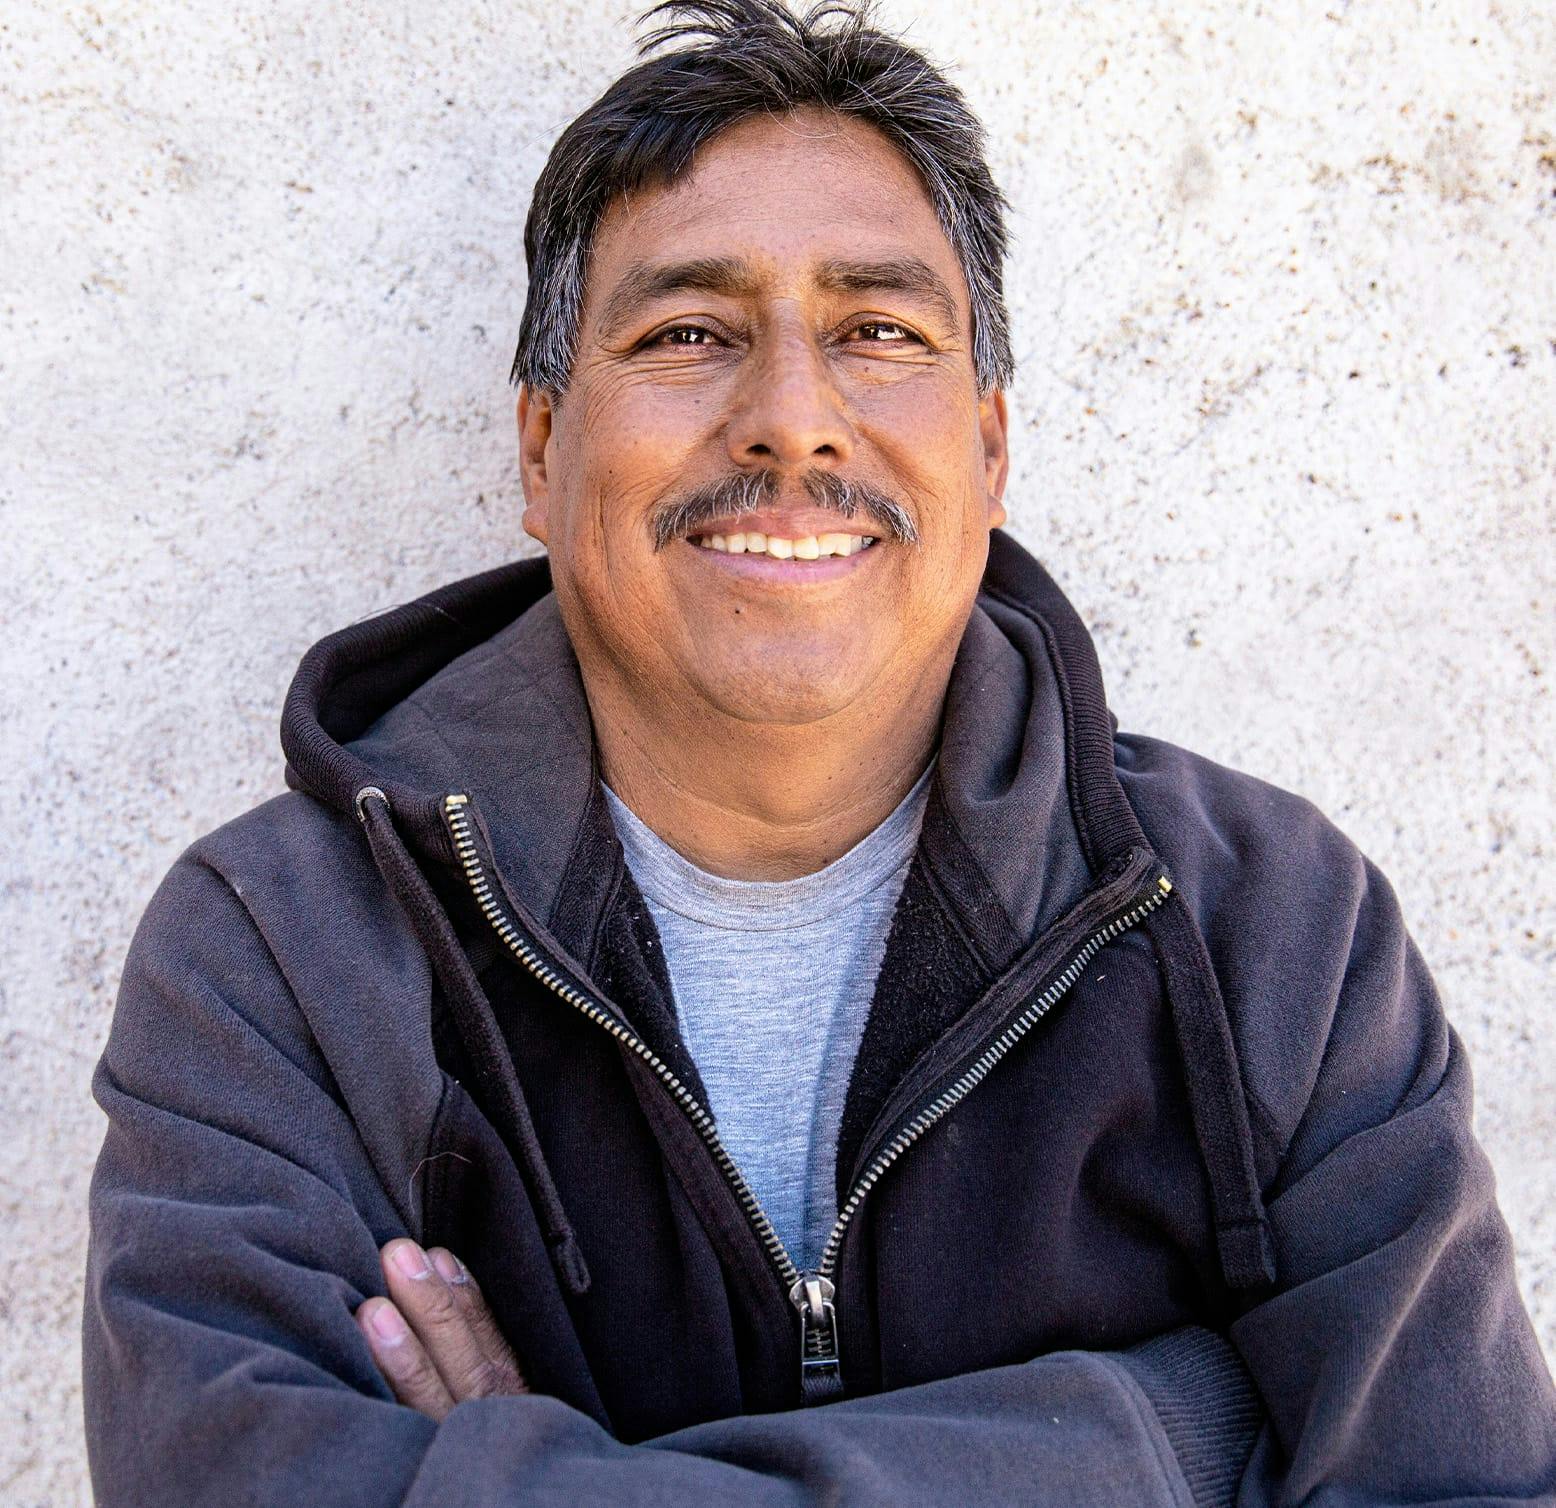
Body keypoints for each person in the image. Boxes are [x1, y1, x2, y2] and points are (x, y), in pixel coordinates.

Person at [82, 2, 1556, 1503]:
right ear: (540, 450)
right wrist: (1162, 1440)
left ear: (989, 447)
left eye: (878, 332)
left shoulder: (1272, 927)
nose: (793, 421)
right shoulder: (289, 956)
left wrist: (523, 1479)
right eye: (688, 334)